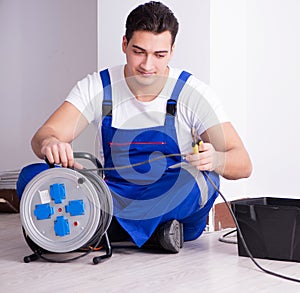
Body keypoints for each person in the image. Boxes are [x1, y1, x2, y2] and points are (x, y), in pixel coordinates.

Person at [17, 1, 252, 253]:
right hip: (113, 195)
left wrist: (216, 158)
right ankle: (154, 234)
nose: (148, 65)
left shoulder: (192, 93)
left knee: (202, 179)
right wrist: (50, 143)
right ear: (124, 44)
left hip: (169, 196)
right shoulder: (98, 86)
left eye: (159, 55)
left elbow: (243, 163)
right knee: (31, 176)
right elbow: (42, 137)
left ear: (172, 51)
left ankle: (96, 230)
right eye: (138, 52)